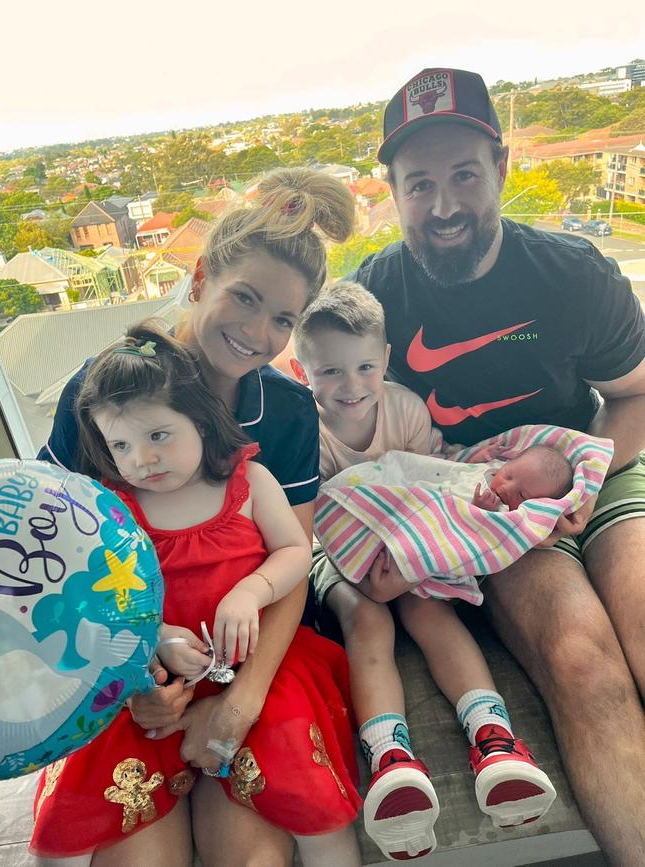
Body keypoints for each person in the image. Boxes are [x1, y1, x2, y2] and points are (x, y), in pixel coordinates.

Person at [348, 67, 645, 866]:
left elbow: (636, 394)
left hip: (597, 467)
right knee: (582, 659)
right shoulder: (372, 298)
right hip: (483, 510)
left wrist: (587, 479)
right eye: (419, 184)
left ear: (503, 169)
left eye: (464, 176)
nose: (443, 205)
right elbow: (308, 401)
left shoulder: (574, 274)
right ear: (394, 192)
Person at [35, 167, 357, 867]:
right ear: (203, 276)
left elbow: (290, 565)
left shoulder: (290, 410)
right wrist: (138, 666)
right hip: (129, 676)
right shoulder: (103, 389)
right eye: (245, 297)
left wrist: (237, 703)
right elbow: (57, 559)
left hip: (252, 665)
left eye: (283, 318)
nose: (257, 331)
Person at [292, 283, 559, 861]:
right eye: (330, 372)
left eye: (365, 367)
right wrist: (370, 582)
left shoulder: (406, 408)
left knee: (431, 613)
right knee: (368, 620)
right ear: (301, 369)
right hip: (336, 554)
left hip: (412, 549)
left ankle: (496, 740)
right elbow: (316, 525)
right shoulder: (303, 431)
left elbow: (431, 490)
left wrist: (414, 564)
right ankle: (391, 756)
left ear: (386, 359)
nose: (351, 386)